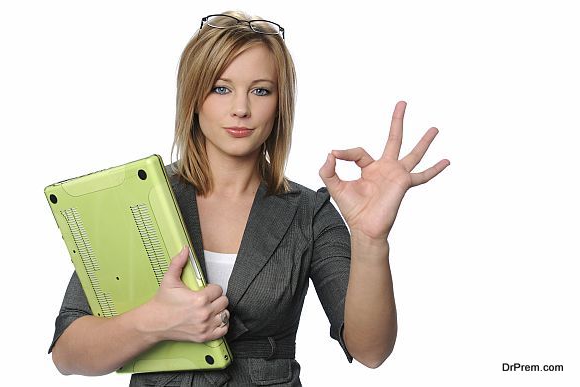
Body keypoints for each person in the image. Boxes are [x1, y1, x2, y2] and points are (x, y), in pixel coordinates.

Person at [49, 10, 450, 386]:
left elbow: (371, 350)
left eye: (260, 90)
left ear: (280, 105)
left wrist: (370, 240)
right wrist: (153, 321)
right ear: (193, 99)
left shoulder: (309, 213)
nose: (240, 108)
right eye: (221, 88)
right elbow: (67, 353)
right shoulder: (137, 198)